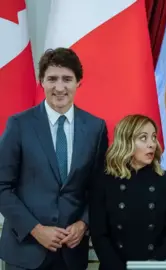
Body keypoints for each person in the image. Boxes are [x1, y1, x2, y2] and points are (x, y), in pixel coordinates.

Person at [0, 48, 108, 270]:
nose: (59, 87)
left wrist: (84, 223)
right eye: (52, 79)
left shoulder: (96, 128)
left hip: (71, 254)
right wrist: (36, 229)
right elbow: (2, 186)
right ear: (41, 81)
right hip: (25, 252)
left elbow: (99, 187)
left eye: (67, 79)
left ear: (79, 82)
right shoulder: (19, 125)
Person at [89, 114, 166, 269]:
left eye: (153, 137)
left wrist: (153, 265)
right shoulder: (104, 182)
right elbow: (99, 235)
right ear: (126, 142)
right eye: (143, 138)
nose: (152, 144)